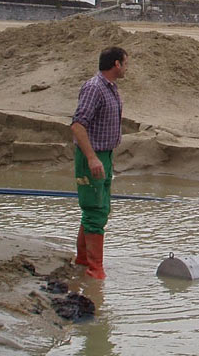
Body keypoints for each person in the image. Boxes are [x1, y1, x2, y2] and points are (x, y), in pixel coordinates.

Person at [71, 46, 128, 279]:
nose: (127, 67)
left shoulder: (110, 88)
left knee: (99, 208)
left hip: (105, 154)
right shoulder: (94, 88)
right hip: (91, 156)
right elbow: (77, 125)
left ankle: (83, 260)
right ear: (116, 64)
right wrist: (92, 158)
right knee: (95, 209)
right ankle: (96, 270)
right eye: (125, 63)